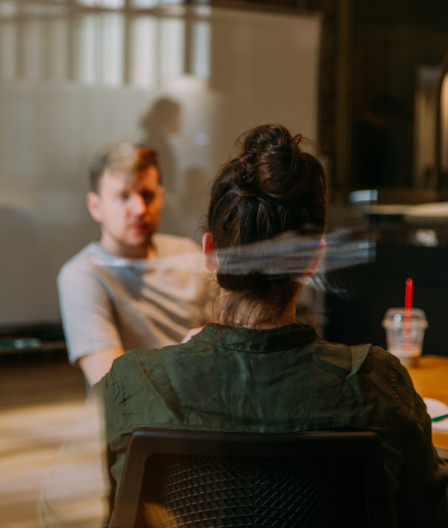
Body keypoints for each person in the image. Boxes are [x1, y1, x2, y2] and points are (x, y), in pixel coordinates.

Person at [95, 124, 448, 526]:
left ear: (209, 253)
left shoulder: (129, 386)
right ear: (315, 258)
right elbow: (431, 513)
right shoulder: (378, 385)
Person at [57, 141, 212, 386]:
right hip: (138, 421)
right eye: (123, 196)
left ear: (161, 198)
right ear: (95, 206)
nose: (139, 209)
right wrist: (188, 356)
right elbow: (113, 385)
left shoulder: (186, 253)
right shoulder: (82, 275)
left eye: (147, 195)